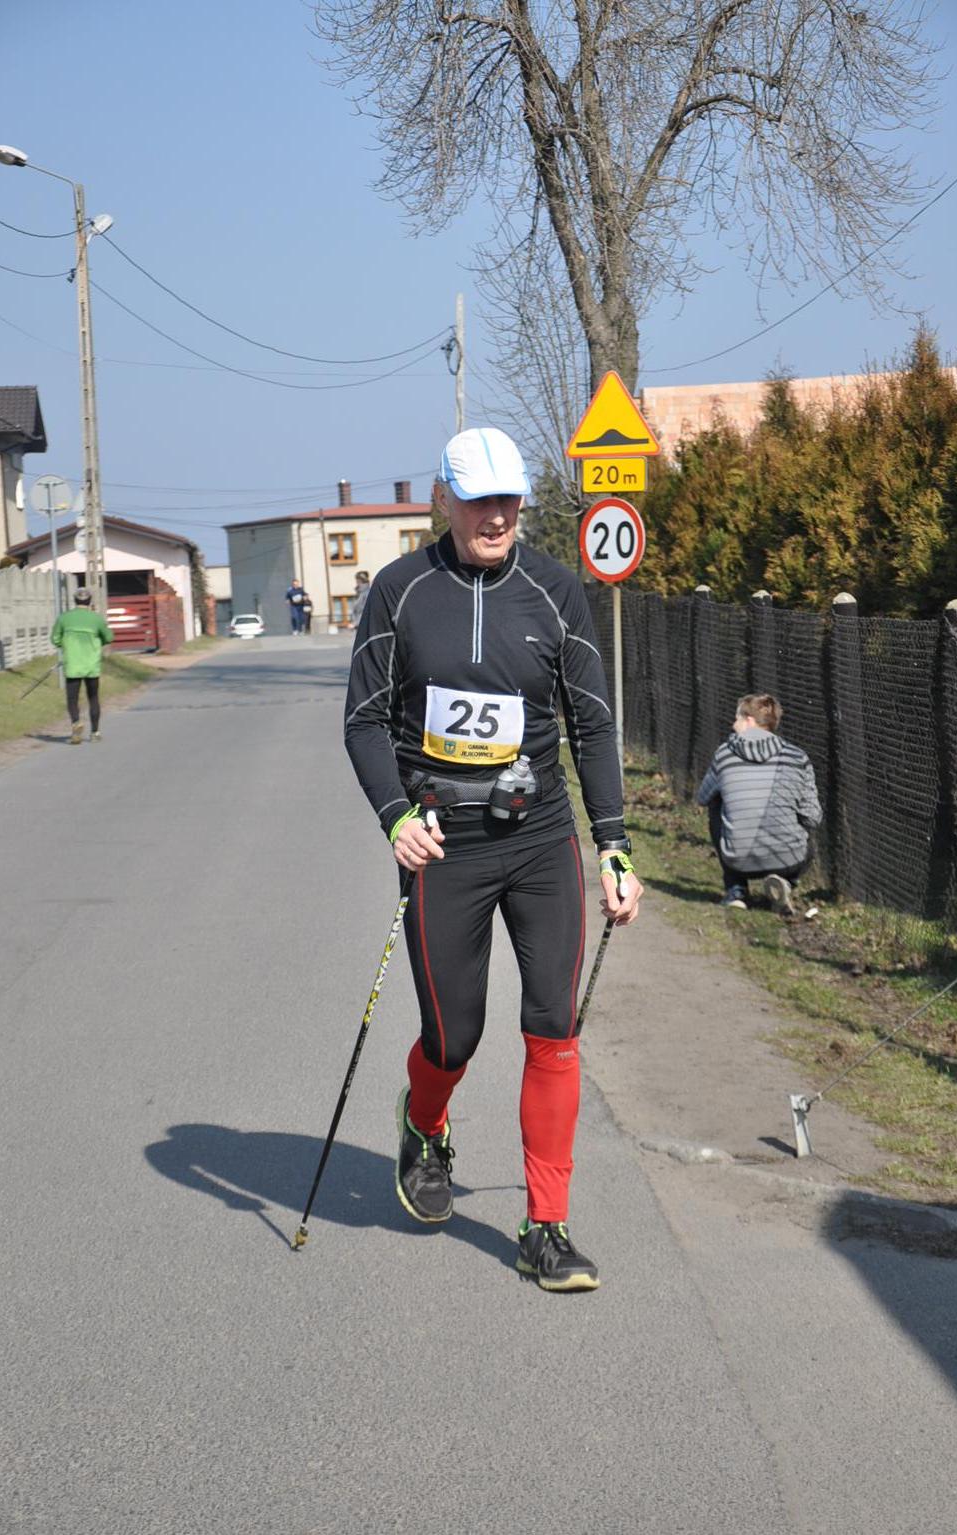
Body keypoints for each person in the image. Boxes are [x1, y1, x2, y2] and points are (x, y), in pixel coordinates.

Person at [345, 426, 642, 1292]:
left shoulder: (554, 590)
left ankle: (546, 1226)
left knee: (553, 1027)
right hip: (445, 843)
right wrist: (396, 817)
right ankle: (424, 1121)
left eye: (509, 498)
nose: (497, 515)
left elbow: (592, 722)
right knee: (453, 1034)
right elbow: (364, 721)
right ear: (444, 498)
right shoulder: (401, 590)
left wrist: (613, 844)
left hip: (539, 837)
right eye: (479, 499)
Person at [696, 693, 822, 913]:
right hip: (790, 859)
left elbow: (703, 798)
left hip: (738, 859)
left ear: (749, 721)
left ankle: (736, 889)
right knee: (804, 817)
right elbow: (813, 817)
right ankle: (785, 881)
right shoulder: (797, 757)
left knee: (716, 802)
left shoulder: (724, 754)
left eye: (737, 719)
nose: (733, 725)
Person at [50, 588, 114, 745]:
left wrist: (66, 645)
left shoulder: (64, 618)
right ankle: (95, 733)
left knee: (72, 698)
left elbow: (55, 639)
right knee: (93, 697)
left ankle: (76, 722)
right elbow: (109, 637)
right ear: (90, 601)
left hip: (73, 664)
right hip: (92, 665)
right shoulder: (96, 619)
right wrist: (97, 643)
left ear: (75, 600)